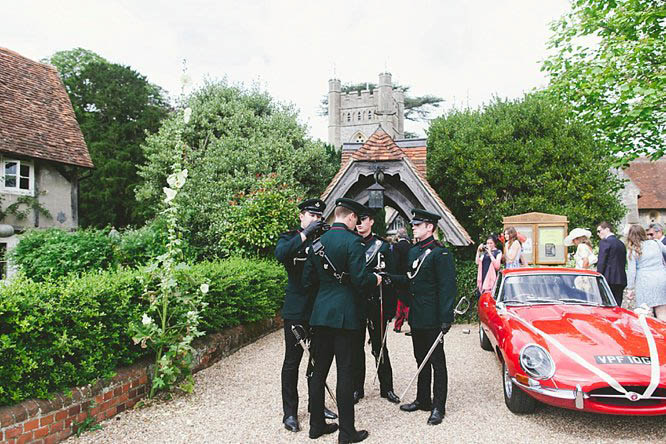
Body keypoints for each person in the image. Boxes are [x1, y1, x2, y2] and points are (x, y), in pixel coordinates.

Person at [302, 198, 381, 443]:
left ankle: (316, 425)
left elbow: (308, 281)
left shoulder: (317, 244)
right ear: (349, 217)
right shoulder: (354, 242)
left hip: (321, 314)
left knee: (318, 372)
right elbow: (359, 280)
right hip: (346, 316)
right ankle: (347, 432)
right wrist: (375, 280)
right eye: (356, 219)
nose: (357, 223)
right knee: (345, 373)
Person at [388, 209, 457, 426]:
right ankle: (423, 399)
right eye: (414, 225)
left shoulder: (440, 253)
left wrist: (446, 317)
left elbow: (447, 287)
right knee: (420, 358)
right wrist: (389, 278)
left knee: (437, 361)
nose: (414, 227)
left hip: (433, 316)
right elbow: (410, 280)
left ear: (430, 227)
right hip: (417, 314)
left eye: (418, 225)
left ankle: (438, 406)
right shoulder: (414, 251)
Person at [274, 199, 336, 432]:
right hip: (296, 309)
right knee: (292, 361)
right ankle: (290, 412)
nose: (315, 219)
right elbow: (281, 254)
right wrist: (305, 234)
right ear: (301, 216)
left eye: (319, 216)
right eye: (311, 215)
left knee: (318, 360)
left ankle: (316, 407)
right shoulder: (290, 238)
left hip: (319, 308)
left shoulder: (324, 239)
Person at [352, 206, 400, 404]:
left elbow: (391, 278)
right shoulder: (350, 243)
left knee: (380, 347)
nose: (359, 223)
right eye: (357, 219)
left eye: (363, 219)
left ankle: (386, 388)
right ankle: (357, 389)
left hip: (376, 302)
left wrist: (390, 309)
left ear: (371, 221)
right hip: (355, 303)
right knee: (355, 348)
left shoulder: (382, 246)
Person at [624, 224, 666, 321]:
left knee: (646, 313)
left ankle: (652, 335)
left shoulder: (633, 249)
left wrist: (630, 288)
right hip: (661, 279)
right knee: (663, 313)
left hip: (644, 282)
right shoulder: (656, 243)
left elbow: (631, 271)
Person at [596, 221, 627, 306]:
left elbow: (601, 262)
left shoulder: (605, 242)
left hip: (608, 278)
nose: (598, 234)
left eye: (599, 231)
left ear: (607, 229)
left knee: (607, 305)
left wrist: (598, 276)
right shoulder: (621, 243)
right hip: (621, 279)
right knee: (617, 305)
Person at [393, 228, 411, 333]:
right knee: (409, 301)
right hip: (409, 276)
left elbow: (395, 263)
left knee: (400, 302)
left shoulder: (396, 247)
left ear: (398, 236)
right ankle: (412, 324)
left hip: (399, 276)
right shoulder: (411, 246)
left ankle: (398, 325)